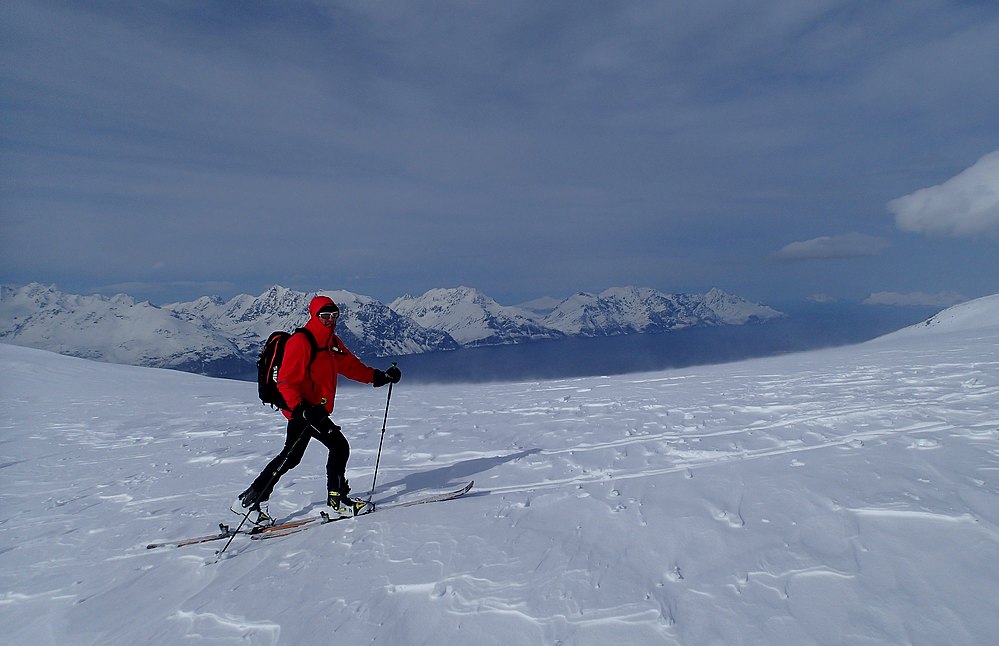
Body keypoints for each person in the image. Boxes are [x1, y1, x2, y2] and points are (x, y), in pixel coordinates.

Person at [231, 295, 401, 526]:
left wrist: (379, 377)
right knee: (339, 446)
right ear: (315, 315)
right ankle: (337, 503)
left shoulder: (331, 342)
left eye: (334, 315)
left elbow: (350, 366)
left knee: (291, 457)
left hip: (314, 411)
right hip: (305, 410)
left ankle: (248, 501)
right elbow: (286, 382)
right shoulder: (301, 342)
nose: (330, 320)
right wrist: (301, 408)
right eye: (325, 316)